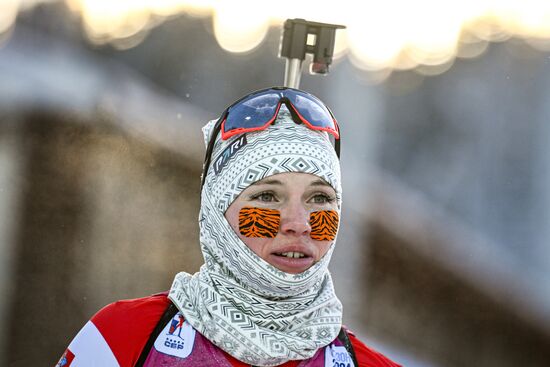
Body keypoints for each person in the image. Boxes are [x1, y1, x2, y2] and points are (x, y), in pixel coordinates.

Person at [56, 87, 401, 367]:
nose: (298, 224)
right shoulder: (122, 338)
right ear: (217, 213)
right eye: (267, 196)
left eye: (320, 199)